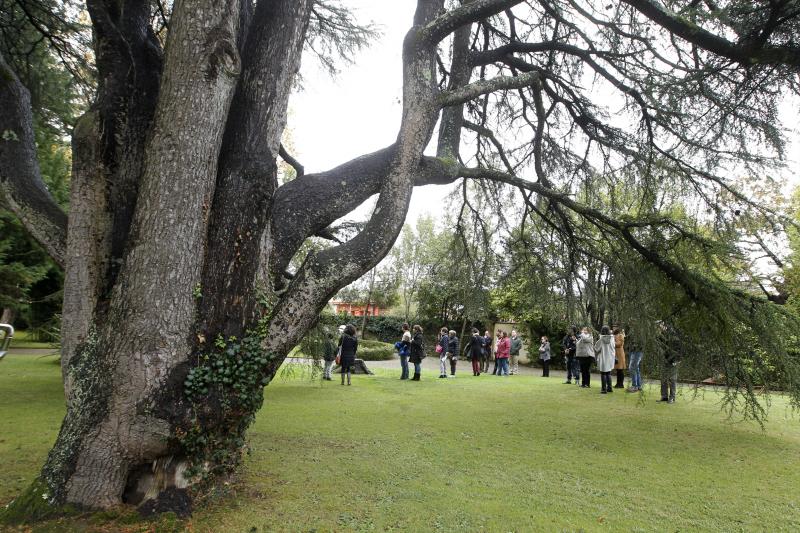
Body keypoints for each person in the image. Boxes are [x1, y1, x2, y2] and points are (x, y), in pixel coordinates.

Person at [657, 321, 681, 403]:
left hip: (673, 359)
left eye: (659, 326)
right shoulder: (661, 335)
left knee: (672, 379)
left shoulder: (673, 334)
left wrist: (677, 359)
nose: (658, 328)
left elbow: (678, 348)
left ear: (663, 325)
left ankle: (672, 397)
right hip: (665, 359)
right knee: (663, 378)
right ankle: (664, 396)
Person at [595, 325, 616, 394]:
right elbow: (613, 347)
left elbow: (596, 348)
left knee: (603, 373)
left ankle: (604, 389)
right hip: (610, 357)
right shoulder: (612, 338)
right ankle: (609, 388)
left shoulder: (601, 339)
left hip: (604, 357)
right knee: (608, 373)